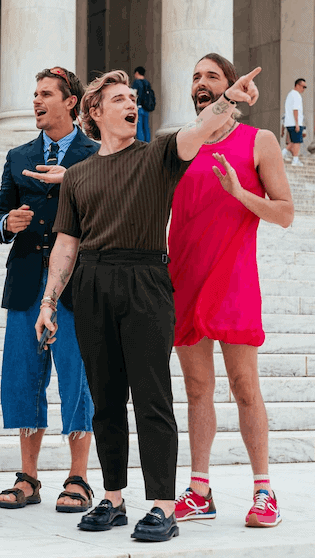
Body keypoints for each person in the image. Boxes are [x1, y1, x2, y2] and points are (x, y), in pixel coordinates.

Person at [31, 65, 263, 542]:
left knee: (152, 399)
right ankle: (113, 498)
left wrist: (229, 101)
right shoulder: (78, 176)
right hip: (92, 282)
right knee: (105, 401)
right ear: (94, 112)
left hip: (146, 280)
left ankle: (162, 506)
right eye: (119, 99)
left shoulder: (158, 153)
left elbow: (198, 129)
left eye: (134, 99)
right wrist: (49, 301)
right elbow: (66, 244)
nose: (131, 105)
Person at [168, 53, 294, 529]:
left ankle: (264, 491)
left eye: (212, 76)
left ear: (231, 86)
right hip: (184, 278)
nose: (201, 82)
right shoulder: (179, 145)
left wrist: (241, 194)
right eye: (195, 76)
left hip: (234, 278)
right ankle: (200, 490)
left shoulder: (259, 141)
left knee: (244, 387)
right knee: (197, 389)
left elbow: (285, 213)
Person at [0, 67, 98, 513]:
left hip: (76, 285)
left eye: (46, 94)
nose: (36, 101)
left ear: (70, 102)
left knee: (77, 377)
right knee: (24, 377)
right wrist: (7, 223)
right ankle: (28, 477)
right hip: (26, 283)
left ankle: (78, 478)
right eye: (35, 93)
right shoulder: (19, 155)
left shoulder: (96, 154)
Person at [284, 78, 307, 166]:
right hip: (294, 123)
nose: (304, 89)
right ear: (297, 85)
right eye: (303, 87)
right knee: (297, 142)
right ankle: (294, 160)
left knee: (294, 141)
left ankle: (285, 154)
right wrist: (297, 123)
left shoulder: (290, 94)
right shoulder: (296, 95)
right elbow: (295, 110)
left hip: (289, 122)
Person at [132, 66, 152, 142]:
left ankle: (141, 143)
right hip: (146, 108)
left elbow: (133, 94)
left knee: (139, 127)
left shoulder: (136, 82)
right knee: (146, 127)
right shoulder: (147, 83)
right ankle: (148, 143)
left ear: (137, 73)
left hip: (139, 107)